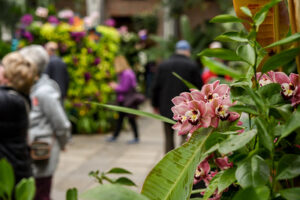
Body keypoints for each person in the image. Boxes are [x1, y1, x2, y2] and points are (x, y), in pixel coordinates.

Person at [20, 45, 71, 200]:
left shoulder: (44, 92)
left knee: (41, 192)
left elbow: (61, 123)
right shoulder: (29, 88)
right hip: (28, 152)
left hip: (41, 151)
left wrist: (62, 143)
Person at [151, 40, 203, 153]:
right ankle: (182, 162)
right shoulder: (192, 65)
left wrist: (155, 105)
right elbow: (199, 88)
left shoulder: (163, 65)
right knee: (185, 138)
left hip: (166, 107)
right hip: (187, 109)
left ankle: (168, 163)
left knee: (168, 139)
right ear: (187, 51)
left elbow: (155, 87)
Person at [0, 52, 37, 184]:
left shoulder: (8, 100)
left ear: (7, 77)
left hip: (8, 176)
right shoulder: (17, 98)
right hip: (17, 169)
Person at [107, 55, 140, 144]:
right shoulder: (128, 72)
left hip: (126, 100)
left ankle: (135, 137)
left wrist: (114, 86)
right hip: (126, 100)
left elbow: (124, 88)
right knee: (122, 119)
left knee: (130, 119)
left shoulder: (126, 73)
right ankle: (115, 136)